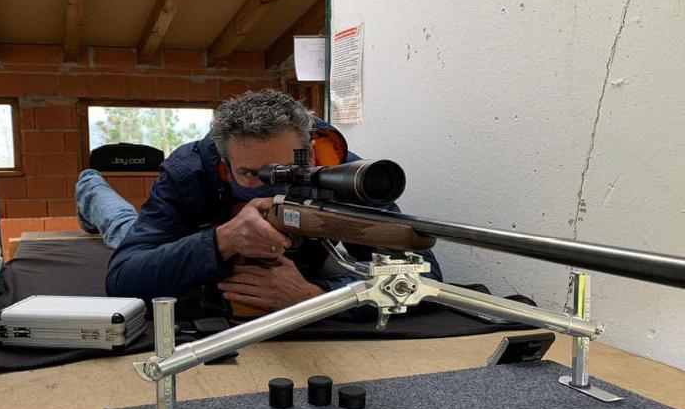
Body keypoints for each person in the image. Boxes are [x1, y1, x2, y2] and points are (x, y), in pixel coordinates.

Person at [76, 89, 442, 318]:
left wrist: (316, 297)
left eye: (286, 170)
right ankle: (91, 186)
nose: (267, 185)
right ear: (222, 163)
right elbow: (124, 280)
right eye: (250, 174)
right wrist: (223, 240)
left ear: (311, 153)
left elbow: (425, 273)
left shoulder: (341, 173)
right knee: (121, 226)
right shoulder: (188, 172)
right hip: (187, 235)